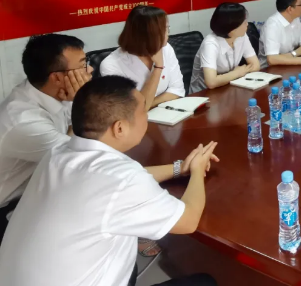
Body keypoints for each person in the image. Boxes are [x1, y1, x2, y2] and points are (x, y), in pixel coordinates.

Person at [0, 76, 218, 286]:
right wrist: (197, 171)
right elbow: (188, 220)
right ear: (119, 128)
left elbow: (117, 183)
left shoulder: (59, 153)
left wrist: (179, 168)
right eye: (144, 110)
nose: (147, 114)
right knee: (206, 282)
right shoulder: (123, 179)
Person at [0, 34, 92, 242]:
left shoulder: (51, 92)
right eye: (83, 65)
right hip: (9, 210)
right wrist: (84, 102)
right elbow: (80, 158)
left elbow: (72, 134)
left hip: (40, 185)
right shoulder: (24, 121)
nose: (90, 70)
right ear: (57, 77)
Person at [101, 6, 184, 110]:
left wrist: (150, 103)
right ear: (149, 34)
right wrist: (158, 68)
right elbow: (132, 109)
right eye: (165, 29)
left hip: (167, 112)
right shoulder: (111, 65)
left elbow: (177, 90)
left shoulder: (166, 48)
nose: (168, 33)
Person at [189, 2, 260, 93]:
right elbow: (211, 82)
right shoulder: (210, 44)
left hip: (228, 88)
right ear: (232, 29)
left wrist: (237, 73)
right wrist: (237, 73)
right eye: (243, 22)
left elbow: (255, 65)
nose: (247, 24)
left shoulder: (241, 36)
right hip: (203, 94)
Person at [260, 0, 301, 67]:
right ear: (290, 9)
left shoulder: (295, 20)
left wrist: (292, 54)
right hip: (268, 69)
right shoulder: (272, 25)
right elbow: (272, 59)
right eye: (300, 4)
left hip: (288, 64)